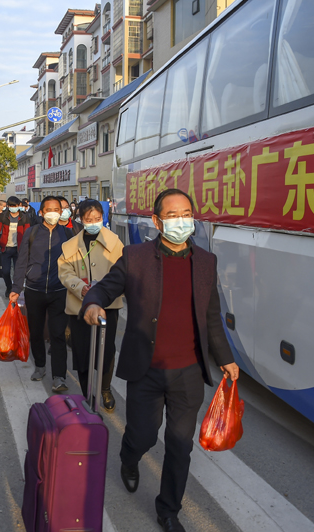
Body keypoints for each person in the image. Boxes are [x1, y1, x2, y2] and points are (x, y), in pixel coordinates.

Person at [82, 189, 239, 532]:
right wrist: (92, 304)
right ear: (156, 221)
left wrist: (224, 358)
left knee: (180, 447)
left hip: (189, 373)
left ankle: (168, 510)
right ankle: (129, 456)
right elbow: (104, 288)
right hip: (147, 369)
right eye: (172, 215)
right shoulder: (136, 257)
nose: (181, 221)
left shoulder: (205, 262)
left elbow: (212, 316)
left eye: (186, 214)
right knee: (144, 435)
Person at [57, 199, 122, 411]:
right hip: (79, 305)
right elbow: (64, 272)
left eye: (98, 218)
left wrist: (104, 291)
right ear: (80, 219)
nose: (93, 222)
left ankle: (105, 388)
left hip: (108, 306)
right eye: (88, 219)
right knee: (82, 350)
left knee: (107, 350)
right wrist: (79, 287)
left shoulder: (115, 242)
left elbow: (122, 272)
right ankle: (87, 392)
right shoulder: (70, 246)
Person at [9, 196, 72, 393]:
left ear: (61, 212)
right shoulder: (32, 232)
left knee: (58, 335)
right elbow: (21, 262)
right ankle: (40, 366)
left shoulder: (69, 234)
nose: (54, 212)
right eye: (49, 209)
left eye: (57, 209)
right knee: (35, 332)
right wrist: (16, 288)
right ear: (42, 212)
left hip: (59, 291)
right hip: (34, 290)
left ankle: (59, 376)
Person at [0, 196, 31, 297]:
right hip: (6, 248)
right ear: (8, 206)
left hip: (19, 249)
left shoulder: (24, 217)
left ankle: (15, 289)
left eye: (15, 206)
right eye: (11, 206)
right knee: (5, 271)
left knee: (18, 271)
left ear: (19, 206)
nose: (13, 208)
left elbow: (28, 232)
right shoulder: (3, 217)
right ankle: (9, 287)